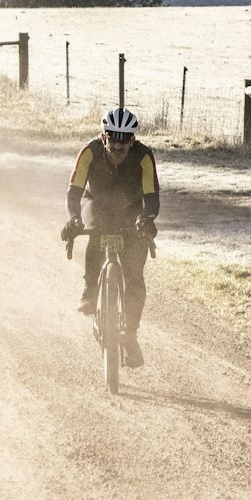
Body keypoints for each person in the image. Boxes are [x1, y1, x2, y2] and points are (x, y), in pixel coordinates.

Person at [63, 105, 159, 368]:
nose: (117, 146)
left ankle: (130, 335)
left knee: (135, 277)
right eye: (112, 138)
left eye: (124, 139)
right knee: (95, 231)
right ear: (103, 136)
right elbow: (74, 193)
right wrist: (74, 219)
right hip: (97, 204)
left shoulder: (143, 157)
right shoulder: (89, 152)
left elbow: (151, 198)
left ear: (133, 140)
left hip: (132, 211)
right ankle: (90, 288)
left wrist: (147, 219)